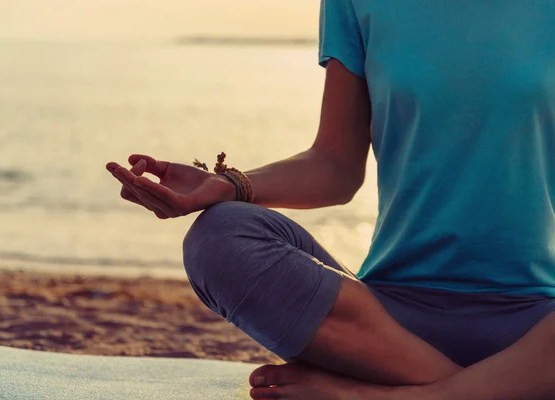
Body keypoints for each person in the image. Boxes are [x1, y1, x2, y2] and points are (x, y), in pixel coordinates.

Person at [106, 0, 555, 398]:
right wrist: (230, 186)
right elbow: (336, 167)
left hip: (536, 329)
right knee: (220, 237)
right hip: (388, 327)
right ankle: (500, 387)